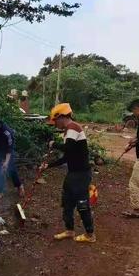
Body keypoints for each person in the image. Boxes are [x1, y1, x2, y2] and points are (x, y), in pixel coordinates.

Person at [40, 103, 96, 243]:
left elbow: (67, 149)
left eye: (55, 120)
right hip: (73, 173)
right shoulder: (68, 131)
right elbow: (67, 157)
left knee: (82, 204)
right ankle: (69, 230)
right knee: (67, 202)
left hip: (81, 174)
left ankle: (90, 235)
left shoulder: (73, 128)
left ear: (62, 117)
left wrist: (54, 144)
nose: (54, 124)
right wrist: (49, 165)